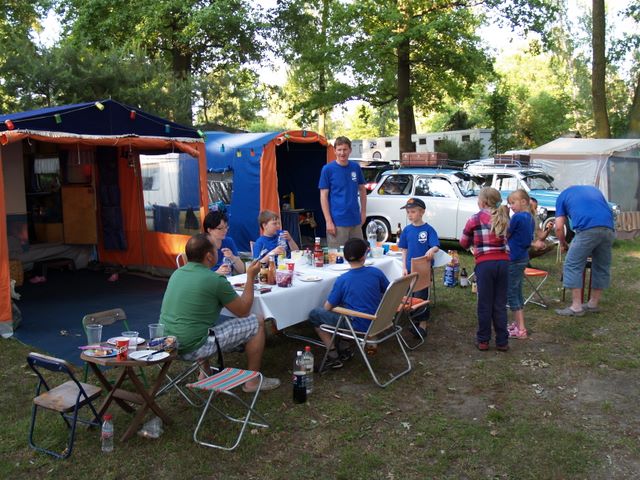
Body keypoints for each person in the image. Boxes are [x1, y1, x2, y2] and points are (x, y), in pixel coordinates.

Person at [160, 234, 281, 392]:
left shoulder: (177, 273)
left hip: (167, 344)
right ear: (209, 256)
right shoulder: (214, 280)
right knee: (257, 322)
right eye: (215, 249)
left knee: (198, 324)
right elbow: (243, 311)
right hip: (192, 347)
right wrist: (250, 277)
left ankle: (204, 373)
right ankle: (252, 381)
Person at [308, 238, 389, 369]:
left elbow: (327, 307)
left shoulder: (343, 280)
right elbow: (387, 291)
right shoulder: (376, 272)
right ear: (364, 256)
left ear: (345, 257)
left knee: (315, 314)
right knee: (347, 306)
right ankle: (345, 348)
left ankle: (333, 356)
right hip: (380, 319)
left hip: (359, 324)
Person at [459, 187, 510, 352]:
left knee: (485, 303)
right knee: (500, 304)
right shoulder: (504, 217)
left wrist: (473, 243)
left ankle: (483, 340)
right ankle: (502, 341)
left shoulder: (474, 219)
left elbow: (463, 242)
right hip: (503, 263)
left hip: (485, 264)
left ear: (483, 202)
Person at [554, 185, 615, 316]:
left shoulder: (562, 196)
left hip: (587, 230)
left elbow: (559, 227)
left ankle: (576, 307)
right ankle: (593, 304)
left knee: (572, 264)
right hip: (609, 229)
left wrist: (563, 243)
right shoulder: (595, 191)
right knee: (601, 266)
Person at [397, 197, 440, 338]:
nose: (410, 215)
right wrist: (404, 267)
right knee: (411, 296)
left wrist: (432, 249)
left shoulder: (428, 229)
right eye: (408, 212)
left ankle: (422, 324)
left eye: (413, 212)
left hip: (423, 269)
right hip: (410, 269)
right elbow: (404, 249)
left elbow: (436, 245)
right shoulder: (407, 230)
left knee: (421, 296)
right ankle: (413, 321)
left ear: (422, 212)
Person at [318, 136, 367, 248]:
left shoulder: (355, 167)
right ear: (334, 151)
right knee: (337, 256)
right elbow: (323, 196)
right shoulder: (327, 169)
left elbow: (362, 190)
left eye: (345, 149)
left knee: (358, 253)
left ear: (350, 150)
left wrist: (363, 212)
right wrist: (328, 221)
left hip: (355, 221)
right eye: (339, 150)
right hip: (337, 222)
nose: (342, 153)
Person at [503, 190, 536, 340]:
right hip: (523, 257)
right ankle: (518, 324)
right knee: (517, 291)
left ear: (523, 202)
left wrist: (505, 216)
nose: (511, 206)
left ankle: (521, 329)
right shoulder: (530, 218)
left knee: (511, 292)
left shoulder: (517, 217)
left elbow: (506, 233)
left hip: (514, 258)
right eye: (509, 203)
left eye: (513, 203)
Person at [203, 209, 245, 276]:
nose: (225, 230)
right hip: (211, 280)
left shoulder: (228, 241)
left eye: (226, 227)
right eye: (220, 228)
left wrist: (233, 257)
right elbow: (199, 276)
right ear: (209, 230)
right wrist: (217, 273)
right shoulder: (202, 245)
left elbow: (242, 270)